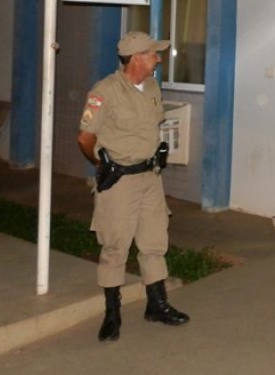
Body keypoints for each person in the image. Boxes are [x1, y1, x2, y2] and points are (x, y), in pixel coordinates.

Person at [77, 31, 189, 342]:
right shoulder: (105, 91)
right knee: (115, 246)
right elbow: (85, 138)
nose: (158, 58)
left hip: (150, 178)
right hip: (120, 181)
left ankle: (157, 305)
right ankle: (112, 314)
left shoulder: (152, 86)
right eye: (153, 53)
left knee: (154, 242)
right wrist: (101, 164)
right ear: (137, 57)